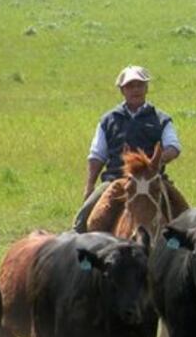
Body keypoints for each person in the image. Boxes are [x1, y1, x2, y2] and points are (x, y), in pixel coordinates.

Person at [72, 65, 182, 232]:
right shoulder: (108, 120)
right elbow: (97, 155)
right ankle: (78, 249)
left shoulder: (161, 119)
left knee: (186, 218)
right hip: (116, 180)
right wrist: (90, 185)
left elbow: (173, 147)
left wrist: (156, 161)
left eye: (140, 85)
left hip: (153, 180)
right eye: (130, 86)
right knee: (85, 219)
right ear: (122, 90)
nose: (135, 90)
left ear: (147, 88)